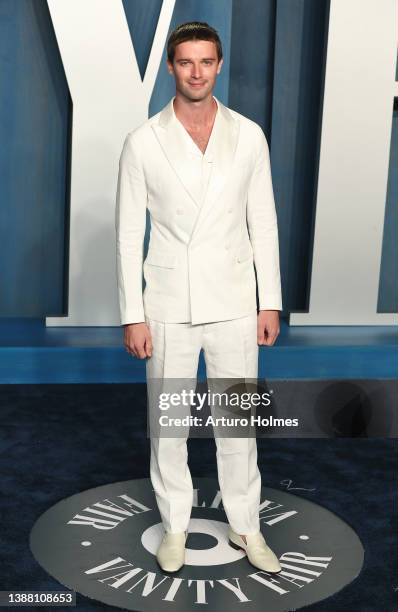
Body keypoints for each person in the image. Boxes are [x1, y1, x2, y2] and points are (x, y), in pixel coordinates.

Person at [115, 21, 282, 574]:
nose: (196, 72)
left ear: (218, 64)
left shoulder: (248, 135)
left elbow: (264, 222)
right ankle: (175, 527)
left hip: (235, 301)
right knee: (169, 425)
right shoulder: (143, 142)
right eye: (185, 62)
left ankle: (245, 526)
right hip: (167, 305)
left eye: (205, 62)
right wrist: (131, 315)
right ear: (170, 67)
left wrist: (270, 301)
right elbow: (125, 234)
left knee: (238, 424)